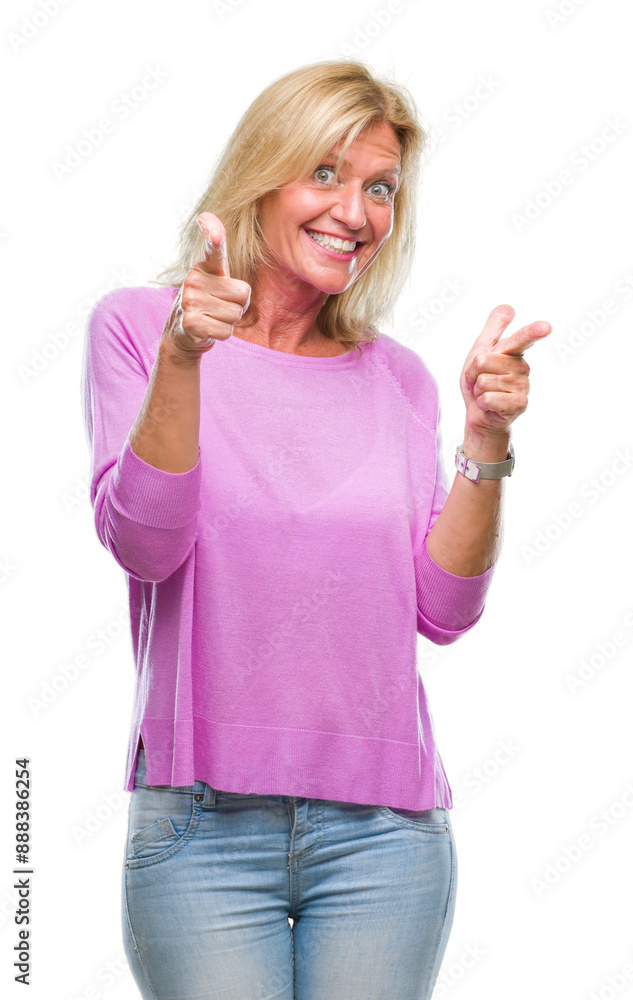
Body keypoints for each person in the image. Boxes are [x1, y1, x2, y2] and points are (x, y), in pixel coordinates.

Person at [81, 59, 551, 1000]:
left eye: (379, 187)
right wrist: (185, 355)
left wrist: (485, 440)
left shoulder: (400, 378)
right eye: (325, 173)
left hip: (386, 837)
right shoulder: (140, 328)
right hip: (201, 827)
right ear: (261, 174)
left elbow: (444, 610)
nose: (355, 211)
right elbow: (145, 544)